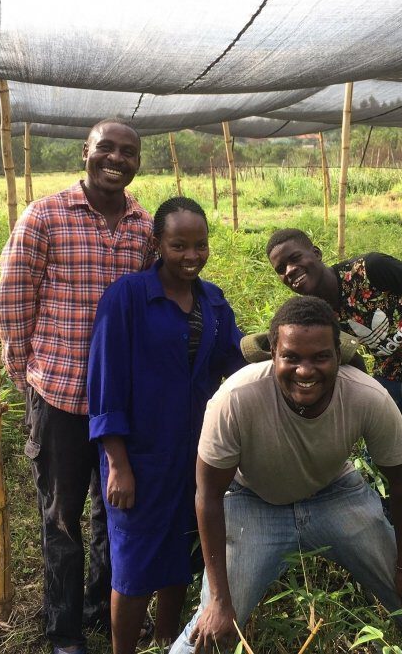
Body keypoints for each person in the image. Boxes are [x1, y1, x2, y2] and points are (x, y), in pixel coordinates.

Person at [170, 296, 402, 654]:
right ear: (273, 354)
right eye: (292, 357)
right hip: (254, 499)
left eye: (320, 357)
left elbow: (401, 480)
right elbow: (207, 496)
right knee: (214, 628)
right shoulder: (236, 398)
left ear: (337, 355)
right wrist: (221, 601)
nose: (305, 371)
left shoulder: (367, 396)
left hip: (334, 492)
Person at [266, 229, 402, 653]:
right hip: (389, 381)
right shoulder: (320, 310)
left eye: (295, 258)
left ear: (316, 252)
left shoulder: (372, 269)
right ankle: (389, 558)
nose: (291, 271)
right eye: (281, 269)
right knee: (377, 466)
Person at [0, 119, 154, 654]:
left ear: (137, 162)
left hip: (119, 402)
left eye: (127, 152)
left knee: (116, 510)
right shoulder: (46, 215)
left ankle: (102, 608)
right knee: (61, 518)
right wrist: (28, 382)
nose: (116, 158)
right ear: (85, 152)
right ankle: (64, 629)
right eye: (106, 147)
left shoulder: (143, 227)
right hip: (59, 395)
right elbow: (13, 300)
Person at [87, 197, 245, 654]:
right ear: (157, 243)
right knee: (135, 561)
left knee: (181, 550)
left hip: (196, 450)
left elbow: (232, 361)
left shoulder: (212, 300)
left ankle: (165, 639)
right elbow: (106, 383)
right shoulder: (128, 297)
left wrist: (276, 353)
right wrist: (117, 463)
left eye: (200, 245)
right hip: (140, 453)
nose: (191, 255)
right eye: (179, 245)